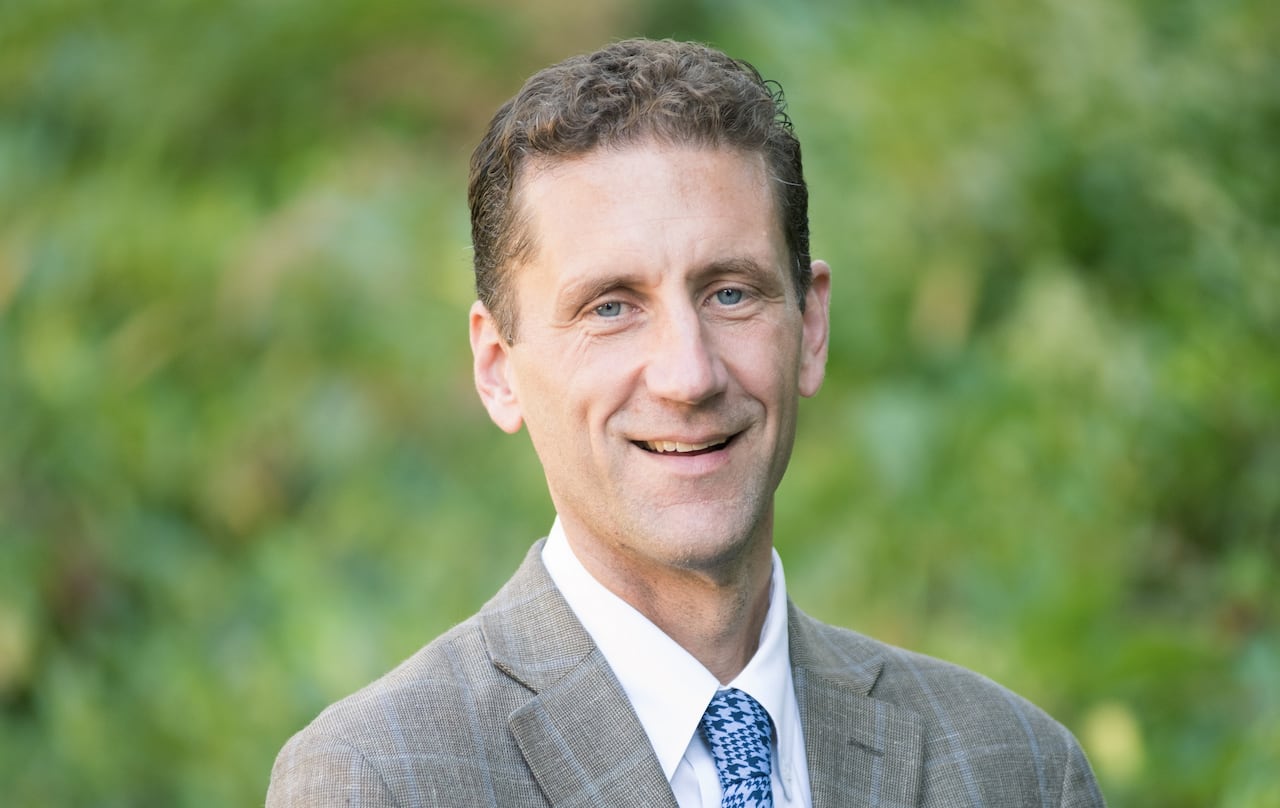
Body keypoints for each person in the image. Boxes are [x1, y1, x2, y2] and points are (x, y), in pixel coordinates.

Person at [266, 38, 1106, 807]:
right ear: (498, 369)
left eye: (730, 293)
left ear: (809, 329)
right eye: (610, 307)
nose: (689, 374)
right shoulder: (375, 780)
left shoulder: (1017, 770)